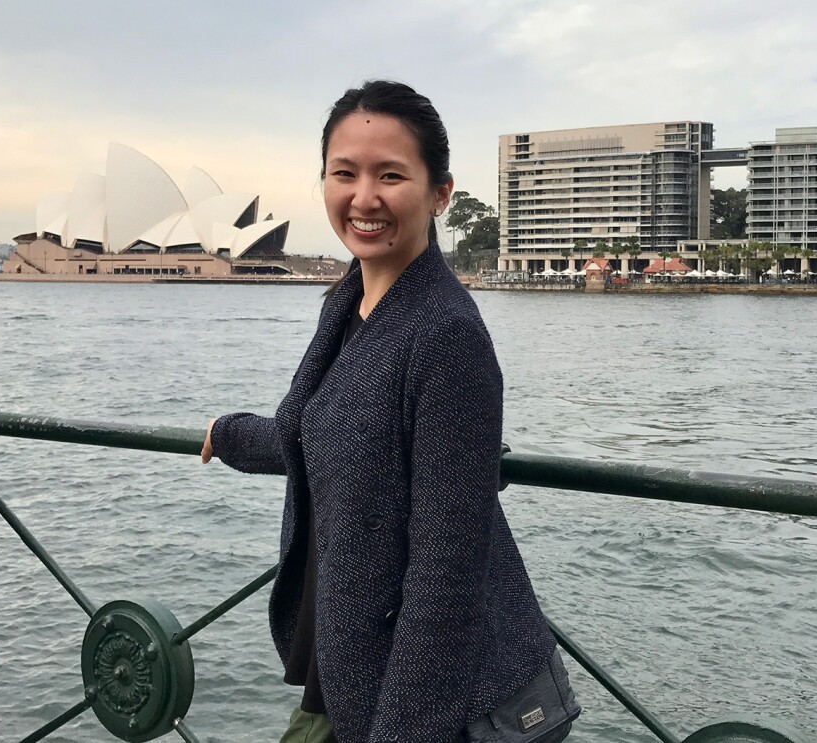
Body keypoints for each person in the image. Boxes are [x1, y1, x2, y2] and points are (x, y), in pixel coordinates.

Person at [200, 81, 579, 743]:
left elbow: (445, 575)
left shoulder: (444, 335)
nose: (363, 197)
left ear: (439, 193)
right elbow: (319, 432)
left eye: (391, 174)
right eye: (343, 173)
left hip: (422, 703)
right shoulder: (347, 300)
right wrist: (230, 435)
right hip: (347, 678)